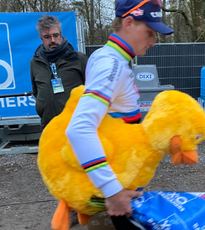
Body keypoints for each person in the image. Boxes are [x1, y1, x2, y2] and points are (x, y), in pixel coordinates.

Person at [66, 0, 173, 228]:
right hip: (117, 189)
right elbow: (79, 129)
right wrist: (112, 190)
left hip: (119, 181)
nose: (153, 42)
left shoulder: (108, 57)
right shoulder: (110, 64)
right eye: (149, 33)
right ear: (128, 22)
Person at [30, 14, 89, 129]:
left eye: (55, 35)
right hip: (49, 126)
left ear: (61, 35)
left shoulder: (79, 59)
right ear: (41, 38)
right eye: (47, 37)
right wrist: (42, 108)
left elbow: (93, 90)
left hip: (77, 125)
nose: (53, 40)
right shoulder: (35, 63)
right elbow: (36, 91)